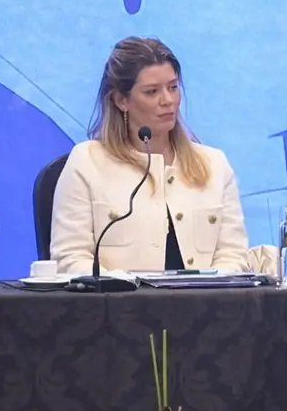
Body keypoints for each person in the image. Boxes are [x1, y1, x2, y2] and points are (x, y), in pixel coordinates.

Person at [51, 36, 249, 275]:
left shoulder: (215, 165)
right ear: (121, 100)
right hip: (115, 308)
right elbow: (70, 259)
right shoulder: (87, 162)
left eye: (173, 87)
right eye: (152, 91)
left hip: (204, 308)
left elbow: (233, 257)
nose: (168, 101)